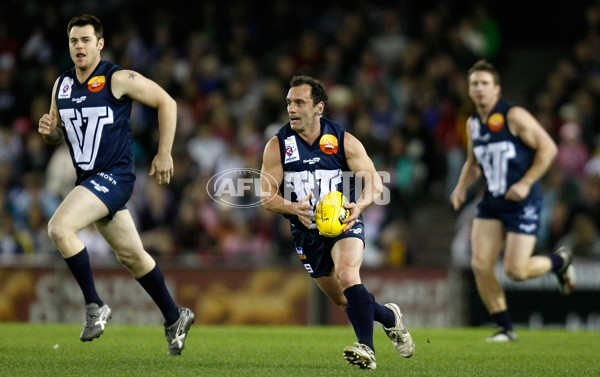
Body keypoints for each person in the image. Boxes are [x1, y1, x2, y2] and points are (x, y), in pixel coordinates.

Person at [37, 14, 194, 355]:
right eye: (73, 41)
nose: (79, 46)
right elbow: (57, 134)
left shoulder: (117, 78)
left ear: (100, 44)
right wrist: (51, 133)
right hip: (89, 180)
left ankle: (95, 305)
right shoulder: (62, 85)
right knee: (133, 257)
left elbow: (167, 101)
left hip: (116, 177)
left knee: (59, 228)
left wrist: (164, 152)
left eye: (85, 40)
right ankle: (174, 316)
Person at [260, 75, 415, 370]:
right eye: (289, 103)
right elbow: (266, 196)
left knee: (347, 274)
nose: (292, 108)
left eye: (299, 102)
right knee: (344, 300)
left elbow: (374, 182)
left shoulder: (343, 140)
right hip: (306, 233)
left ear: (319, 108)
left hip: (344, 224)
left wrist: (360, 205)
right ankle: (389, 317)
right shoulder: (277, 146)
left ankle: (366, 349)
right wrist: (292, 207)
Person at [449, 60, 576, 342]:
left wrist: (526, 182)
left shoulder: (513, 115)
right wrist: (460, 188)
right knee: (480, 264)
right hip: (492, 201)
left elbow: (548, 147)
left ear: (496, 89)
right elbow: (473, 163)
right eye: (474, 84)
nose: (479, 89)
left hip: (523, 201)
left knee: (516, 271)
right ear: (469, 91)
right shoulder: (473, 124)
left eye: (485, 83)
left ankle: (559, 261)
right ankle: (505, 328)